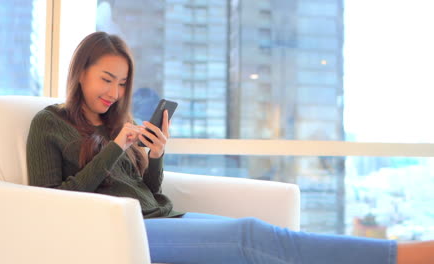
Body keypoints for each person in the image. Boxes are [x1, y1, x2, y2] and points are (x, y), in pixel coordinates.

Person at [26, 31, 434, 264]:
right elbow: (49, 205)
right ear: (80, 72)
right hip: (122, 235)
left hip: (159, 217)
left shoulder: (118, 123)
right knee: (250, 237)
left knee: (261, 235)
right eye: (106, 79)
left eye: (122, 84)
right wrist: (115, 148)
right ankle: (401, 256)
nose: (115, 92)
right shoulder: (49, 124)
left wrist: (155, 156)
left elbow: (147, 193)